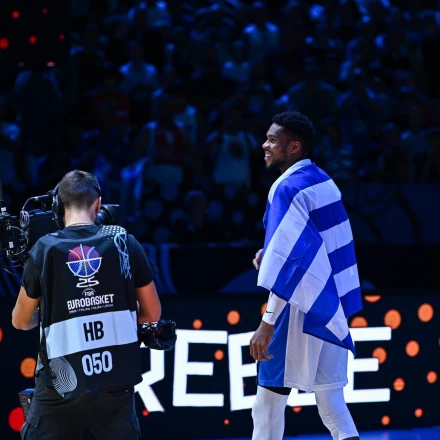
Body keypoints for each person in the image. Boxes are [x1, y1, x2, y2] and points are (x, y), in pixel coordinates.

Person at [12, 170, 161, 439]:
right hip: (115, 383)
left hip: (60, 385)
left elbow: (20, 321)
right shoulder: (124, 242)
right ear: (98, 204)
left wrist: (51, 314)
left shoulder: (44, 249)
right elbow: (152, 314)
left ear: (59, 206)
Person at [250, 112, 362, 440]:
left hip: (300, 305)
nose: (265, 145)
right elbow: (319, 244)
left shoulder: (285, 188)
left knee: (267, 406)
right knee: (333, 406)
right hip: (331, 305)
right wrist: (270, 251)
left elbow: (290, 265)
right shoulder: (323, 180)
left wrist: (267, 323)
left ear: (294, 146)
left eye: (273, 140)